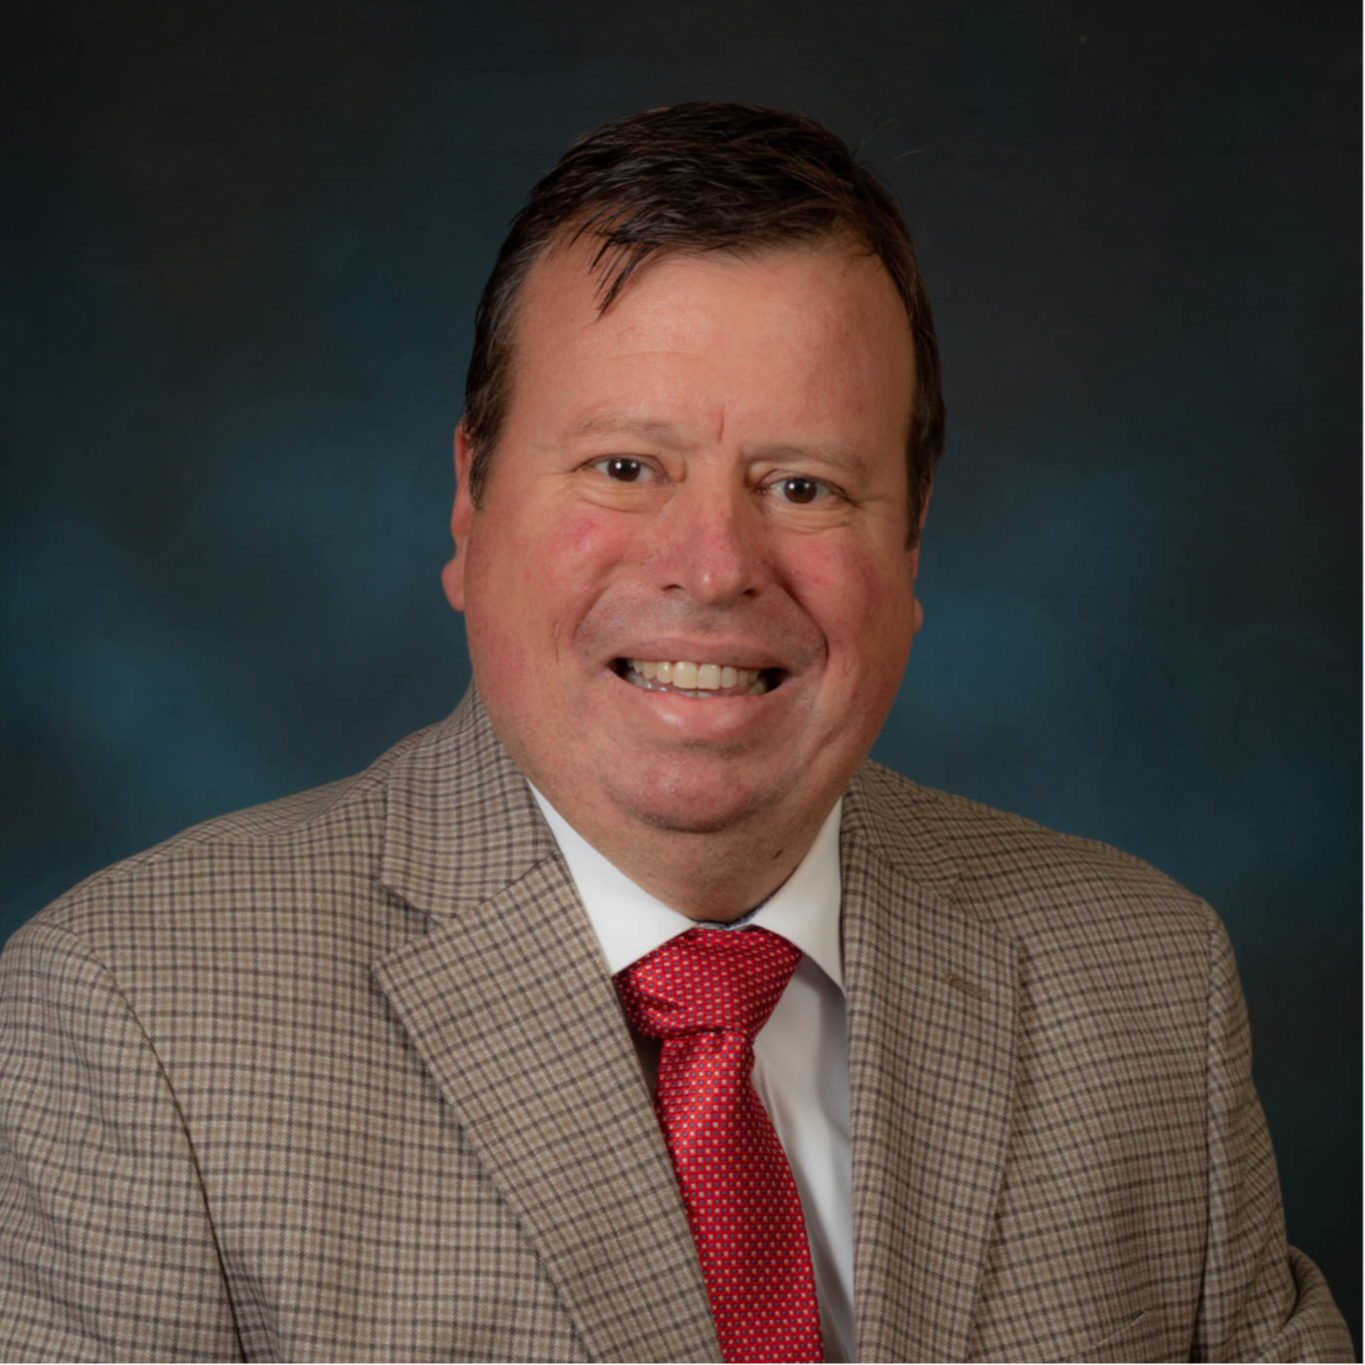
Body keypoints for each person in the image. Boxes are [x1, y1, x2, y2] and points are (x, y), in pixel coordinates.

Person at [0, 103, 1351, 1365]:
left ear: (911, 542)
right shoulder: (134, 1029)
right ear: (470, 506)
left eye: (803, 483)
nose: (714, 566)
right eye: (625, 466)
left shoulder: (1146, 989)